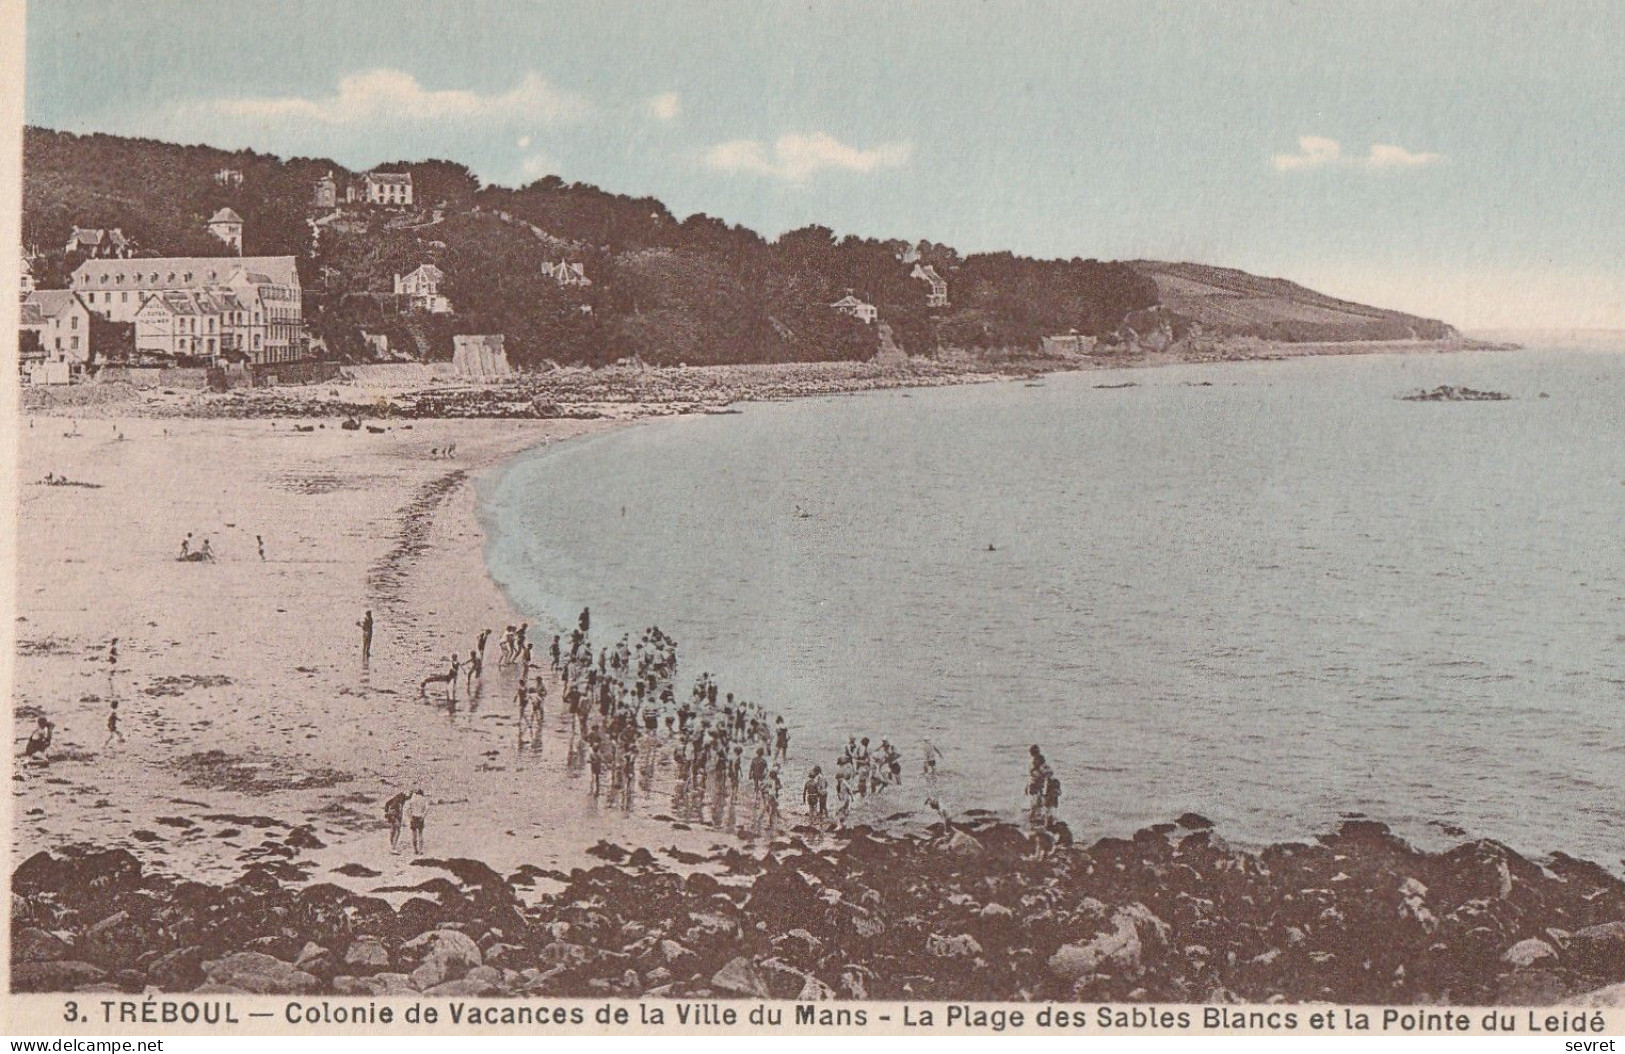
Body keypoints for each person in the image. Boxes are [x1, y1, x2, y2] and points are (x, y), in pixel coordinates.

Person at [404, 789, 429, 854]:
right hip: (420, 816)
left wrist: (410, 817)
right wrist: (423, 816)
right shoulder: (424, 799)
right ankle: (420, 850)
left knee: (414, 834)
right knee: (420, 834)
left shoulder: (412, 799)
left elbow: (407, 809)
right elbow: (427, 809)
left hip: (414, 816)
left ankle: (415, 850)